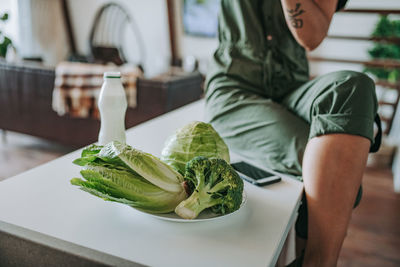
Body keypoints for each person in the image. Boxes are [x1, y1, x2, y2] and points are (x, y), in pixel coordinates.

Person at [204, 0, 381, 266]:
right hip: (235, 90)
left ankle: (319, 261)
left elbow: (311, 37)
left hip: (293, 89)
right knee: (336, 176)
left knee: (353, 87)